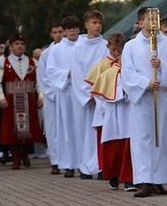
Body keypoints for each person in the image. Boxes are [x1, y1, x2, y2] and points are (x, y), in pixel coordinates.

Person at [122, 7, 167, 197]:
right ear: (140, 23)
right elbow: (127, 73)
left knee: (162, 137)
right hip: (143, 99)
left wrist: (162, 65)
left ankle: (160, 180)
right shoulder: (131, 46)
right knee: (144, 139)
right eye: (148, 20)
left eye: (155, 20)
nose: (152, 24)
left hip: (162, 96)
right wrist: (145, 83)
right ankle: (145, 180)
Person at [0, 31, 44, 169]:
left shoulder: (33, 62)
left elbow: (39, 82)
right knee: (12, 130)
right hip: (11, 100)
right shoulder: (4, 63)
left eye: (22, 44)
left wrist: (40, 96)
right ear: (11, 46)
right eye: (17, 44)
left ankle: (25, 155)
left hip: (28, 98)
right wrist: (1, 98)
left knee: (30, 129)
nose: (19, 46)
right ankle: (15, 158)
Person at [91, 33, 134, 191]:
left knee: (129, 145)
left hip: (129, 114)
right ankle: (114, 175)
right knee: (114, 146)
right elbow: (102, 96)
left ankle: (129, 178)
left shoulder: (133, 71)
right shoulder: (108, 73)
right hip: (114, 114)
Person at [72, 10, 109, 180]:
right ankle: (85, 167)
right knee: (84, 131)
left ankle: (102, 166)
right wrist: (88, 94)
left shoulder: (105, 46)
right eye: (94, 23)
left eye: (99, 23)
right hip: (86, 97)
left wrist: (99, 92)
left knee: (100, 131)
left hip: (101, 96)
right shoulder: (78, 47)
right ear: (86, 24)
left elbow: (108, 70)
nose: (97, 26)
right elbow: (77, 73)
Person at [46, 16, 81, 178]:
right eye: (69, 28)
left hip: (82, 92)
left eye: (75, 27)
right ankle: (69, 164)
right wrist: (67, 73)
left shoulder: (83, 45)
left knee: (82, 128)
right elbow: (51, 70)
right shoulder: (57, 49)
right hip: (66, 91)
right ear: (65, 31)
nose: (72, 31)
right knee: (67, 128)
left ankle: (84, 164)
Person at [38, 22, 64, 174]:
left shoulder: (70, 49)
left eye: (61, 31)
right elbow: (43, 77)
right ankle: (55, 161)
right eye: (55, 32)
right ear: (51, 34)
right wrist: (54, 93)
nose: (58, 35)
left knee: (67, 128)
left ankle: (70, 161)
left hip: (67, 95)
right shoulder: (46, 53)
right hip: (52, 97)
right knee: (53, 129)